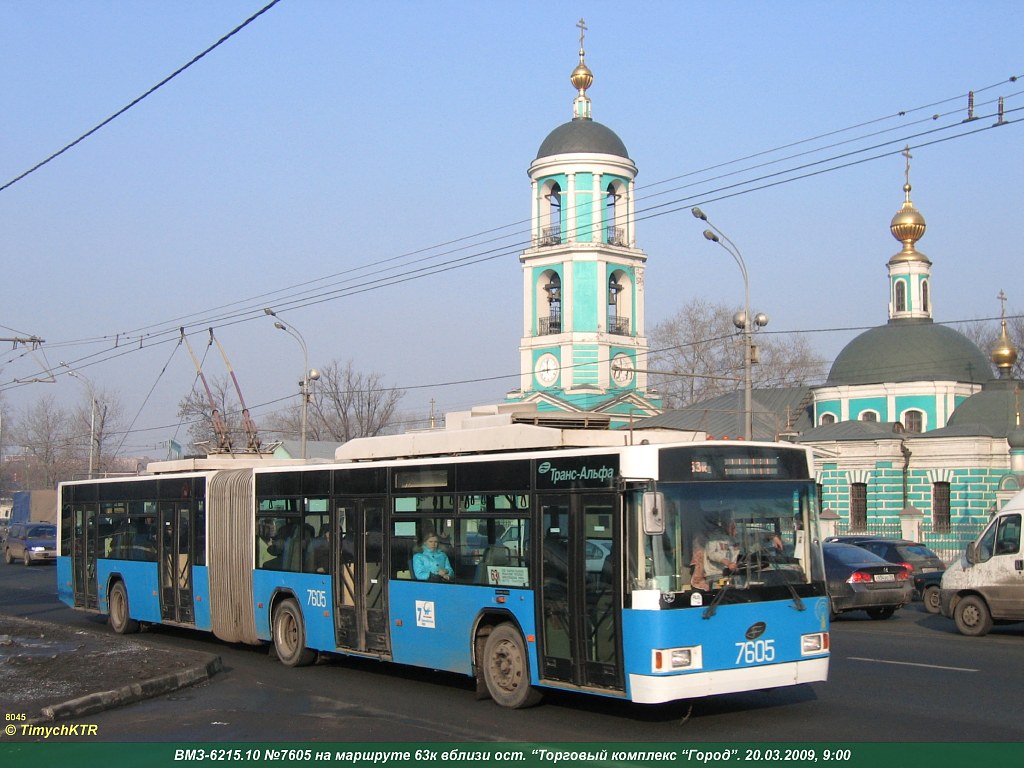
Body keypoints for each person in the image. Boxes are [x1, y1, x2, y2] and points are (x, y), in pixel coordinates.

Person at [690, 513, 740, 590]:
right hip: (716, 576)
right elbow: (712, 554)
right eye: (730, 523)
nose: (733, 527)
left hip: (731, 575)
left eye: (733, 524)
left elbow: (737, 555)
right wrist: (727, 563)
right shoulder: (714, 536)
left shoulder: (733, 539)